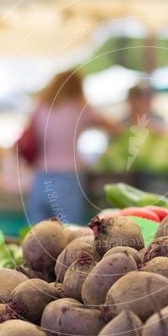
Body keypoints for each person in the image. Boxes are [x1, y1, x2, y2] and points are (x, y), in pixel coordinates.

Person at [26, 69, 118, 225]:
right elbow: (114, 127)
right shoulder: (80, 106)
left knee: (37, 237)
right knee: (70, 234)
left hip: (41, 177)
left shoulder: (40, 105)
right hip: (67, 178)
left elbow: (28, 134)